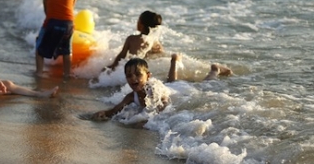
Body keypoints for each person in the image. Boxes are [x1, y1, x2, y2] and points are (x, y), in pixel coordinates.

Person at [92, 55, 232, 120]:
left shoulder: (152, 89)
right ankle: (174, 60)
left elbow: (164, 103)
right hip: (171, 87)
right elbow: (115, 110)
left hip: (181, 91)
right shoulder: (131, 96)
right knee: (171, 81)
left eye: (137, 75)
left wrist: (148, 120)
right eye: (129, 75)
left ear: (148, 76)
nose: (133, 78)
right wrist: (104, 113)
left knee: (204, 85)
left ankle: (215, 70)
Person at [35, 0, 79, 79]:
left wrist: (51, 18)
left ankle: (39, 72)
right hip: (69, 23)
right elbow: (72, 6)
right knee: (67, 50)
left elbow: (46, 8)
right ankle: (67, 73)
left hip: (52, 21)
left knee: (39, 46)